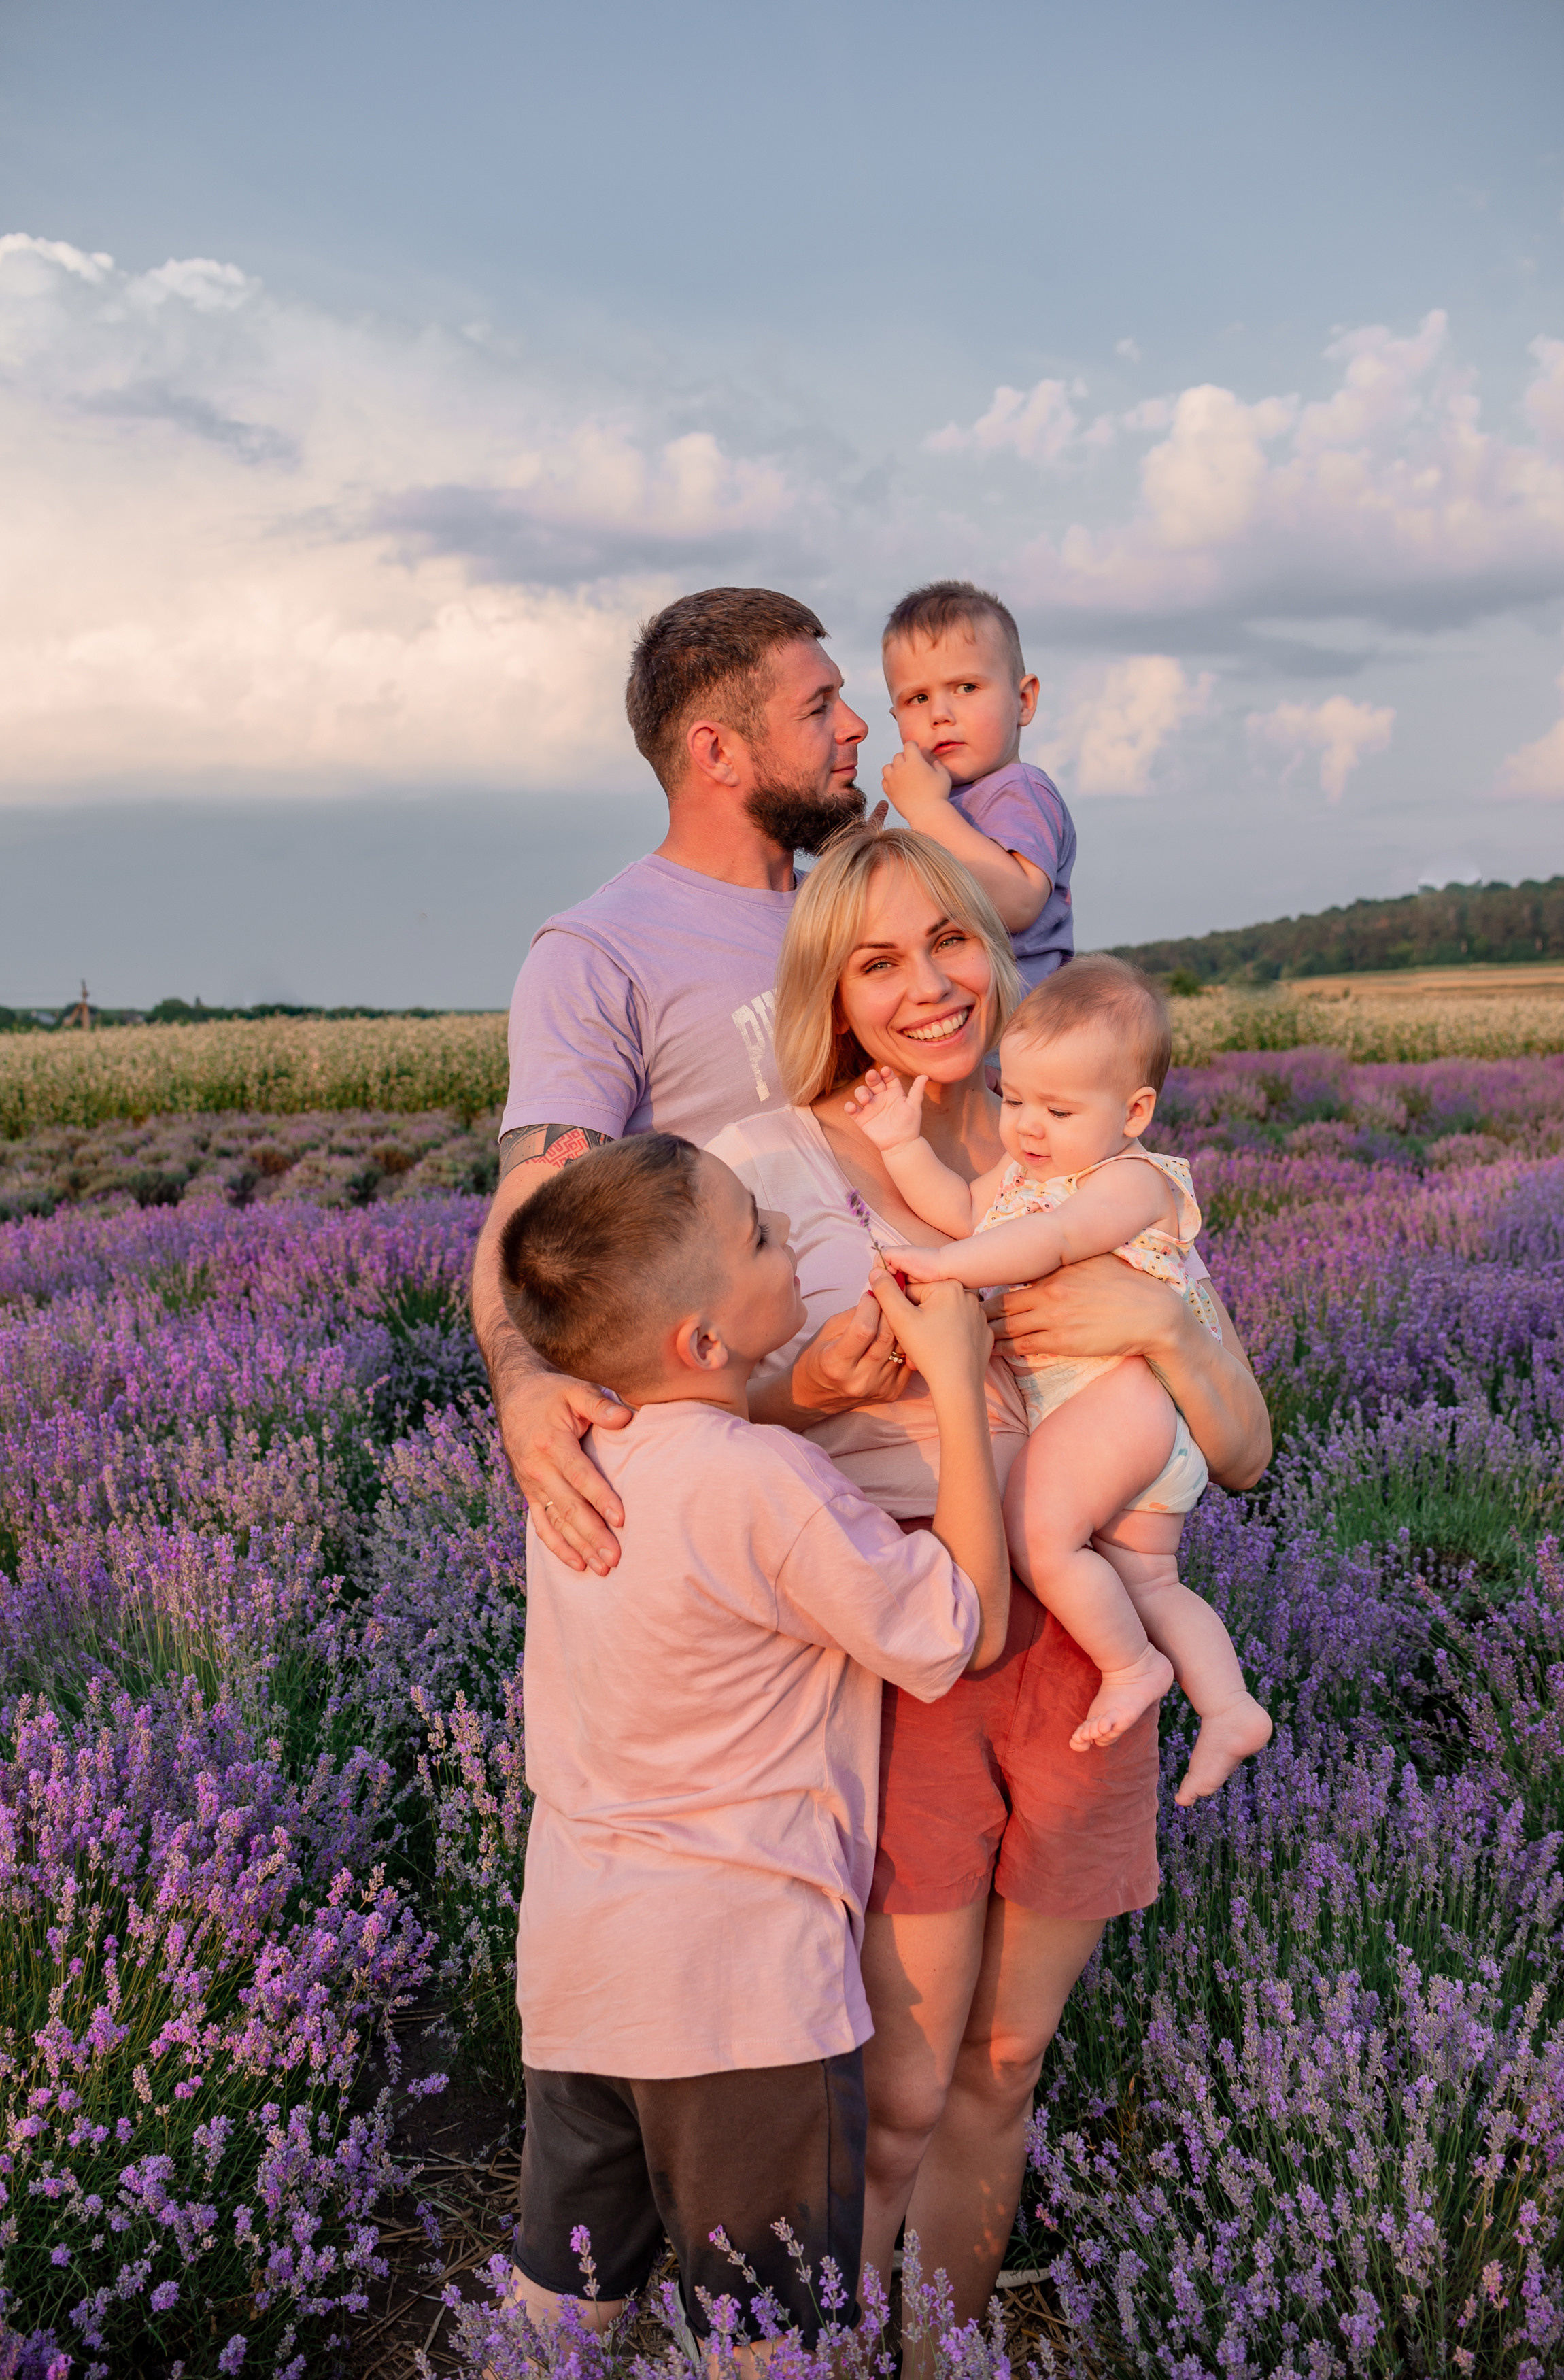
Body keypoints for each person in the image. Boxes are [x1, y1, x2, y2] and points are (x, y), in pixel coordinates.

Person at [703, 820, 1270, 2343]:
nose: (927, 984)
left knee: (1003, 2063)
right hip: (916, 1650)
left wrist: (1174, 1335)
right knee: (900, 2077)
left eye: (949, 939)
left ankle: (938, 2345)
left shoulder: (1062, 1145)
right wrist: (815, 1386)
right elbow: (688, 1420)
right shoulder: (760, 1165)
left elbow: (1238, 1449)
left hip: (1081, 1650)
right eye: (877, 959)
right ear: (830, 985)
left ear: (994, 945)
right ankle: (829, 2343)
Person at [496, 1130, 1010, 2349]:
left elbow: (707, 1454)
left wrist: (804, 1393)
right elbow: (957, 1630)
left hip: (580, 1967)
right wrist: (958, 1383)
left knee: (565, 2299)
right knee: (770, 2332)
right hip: (741, 1995)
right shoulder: (770, 1486)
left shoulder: (579, 1458)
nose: (788, 1243)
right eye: (763, 1236)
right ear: (704, 1340)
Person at [472, 585, 887, 1576]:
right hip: (763, 1483)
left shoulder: (872, 904)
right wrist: (524, 1385)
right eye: (818, 706)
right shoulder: (599, 953)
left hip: (944, 1429)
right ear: (717, 752)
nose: (858, 726)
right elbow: (534, 1209)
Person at [843, 954, 1273, 1805]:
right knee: (1148, 1578)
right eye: (1014, 1098)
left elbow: (1044, 1242)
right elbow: (966, 1210)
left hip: (1126, 1396)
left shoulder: (1127, 1180)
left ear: (1134, 1112)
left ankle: (1132, 1665)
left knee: (1035, 1532)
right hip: (1115, 1418)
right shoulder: (1028, 1173)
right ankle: (1228, 1705)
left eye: (1058, 1109)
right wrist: (898, 1143)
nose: (1027, 1127)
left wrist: (941, 1267)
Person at [876, 581, 1075, 991]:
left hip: (1024, 1028)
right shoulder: (947, 801)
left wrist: (927, 812)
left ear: (1023, 701)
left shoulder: (1018, 789)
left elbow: (1019, 904)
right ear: (896, 719)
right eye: (917, 699)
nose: (940, 714)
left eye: (966, 688)